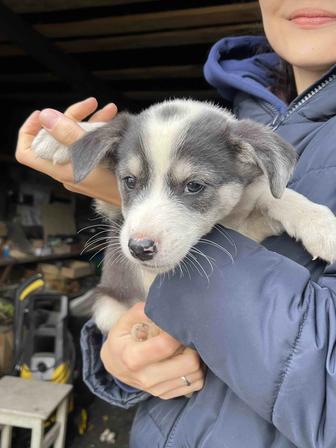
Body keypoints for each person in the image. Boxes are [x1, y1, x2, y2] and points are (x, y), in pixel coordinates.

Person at [15, 1, 336, 446]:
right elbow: (133, 302)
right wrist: (121, 356)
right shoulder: (225, 120)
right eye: (132, 182)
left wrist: (116, 191)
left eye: (192, 187)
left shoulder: (246, 152)